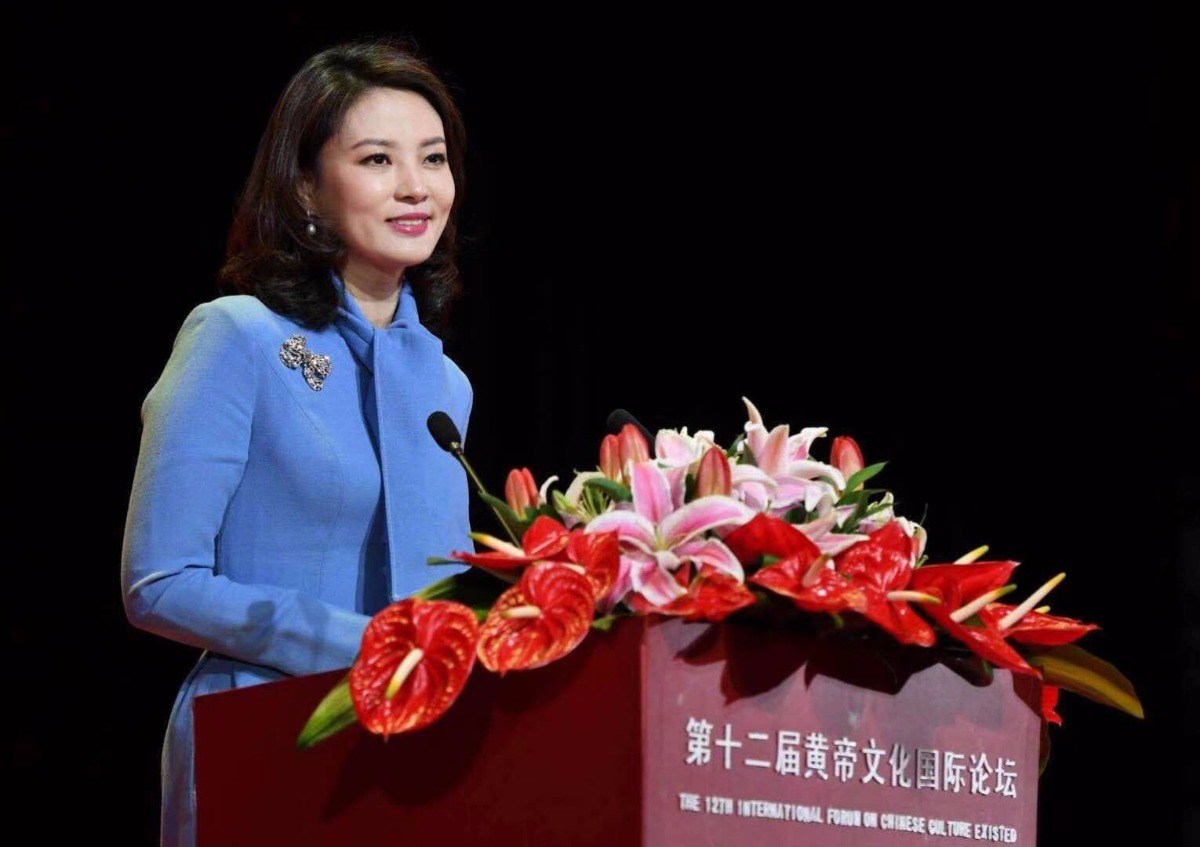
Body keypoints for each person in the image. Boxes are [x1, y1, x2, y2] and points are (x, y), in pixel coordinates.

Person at [120, 37, 475, 847]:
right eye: (378, 159)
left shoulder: (448, 385)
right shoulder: (236, 336)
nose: (416, 186)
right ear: (308, 186)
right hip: (262, 732)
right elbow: (158, 581)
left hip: (417, 758)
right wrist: (358, 645)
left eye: (433, 158)